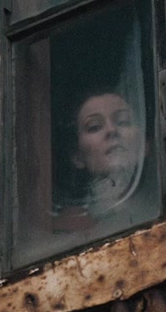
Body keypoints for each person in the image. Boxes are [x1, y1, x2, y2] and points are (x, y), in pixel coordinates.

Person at [52, 88, 148, 230]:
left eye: (123, 122)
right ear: (77, 157)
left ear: (145, 144)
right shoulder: (68, 228)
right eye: (94, 127)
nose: (111, 130)